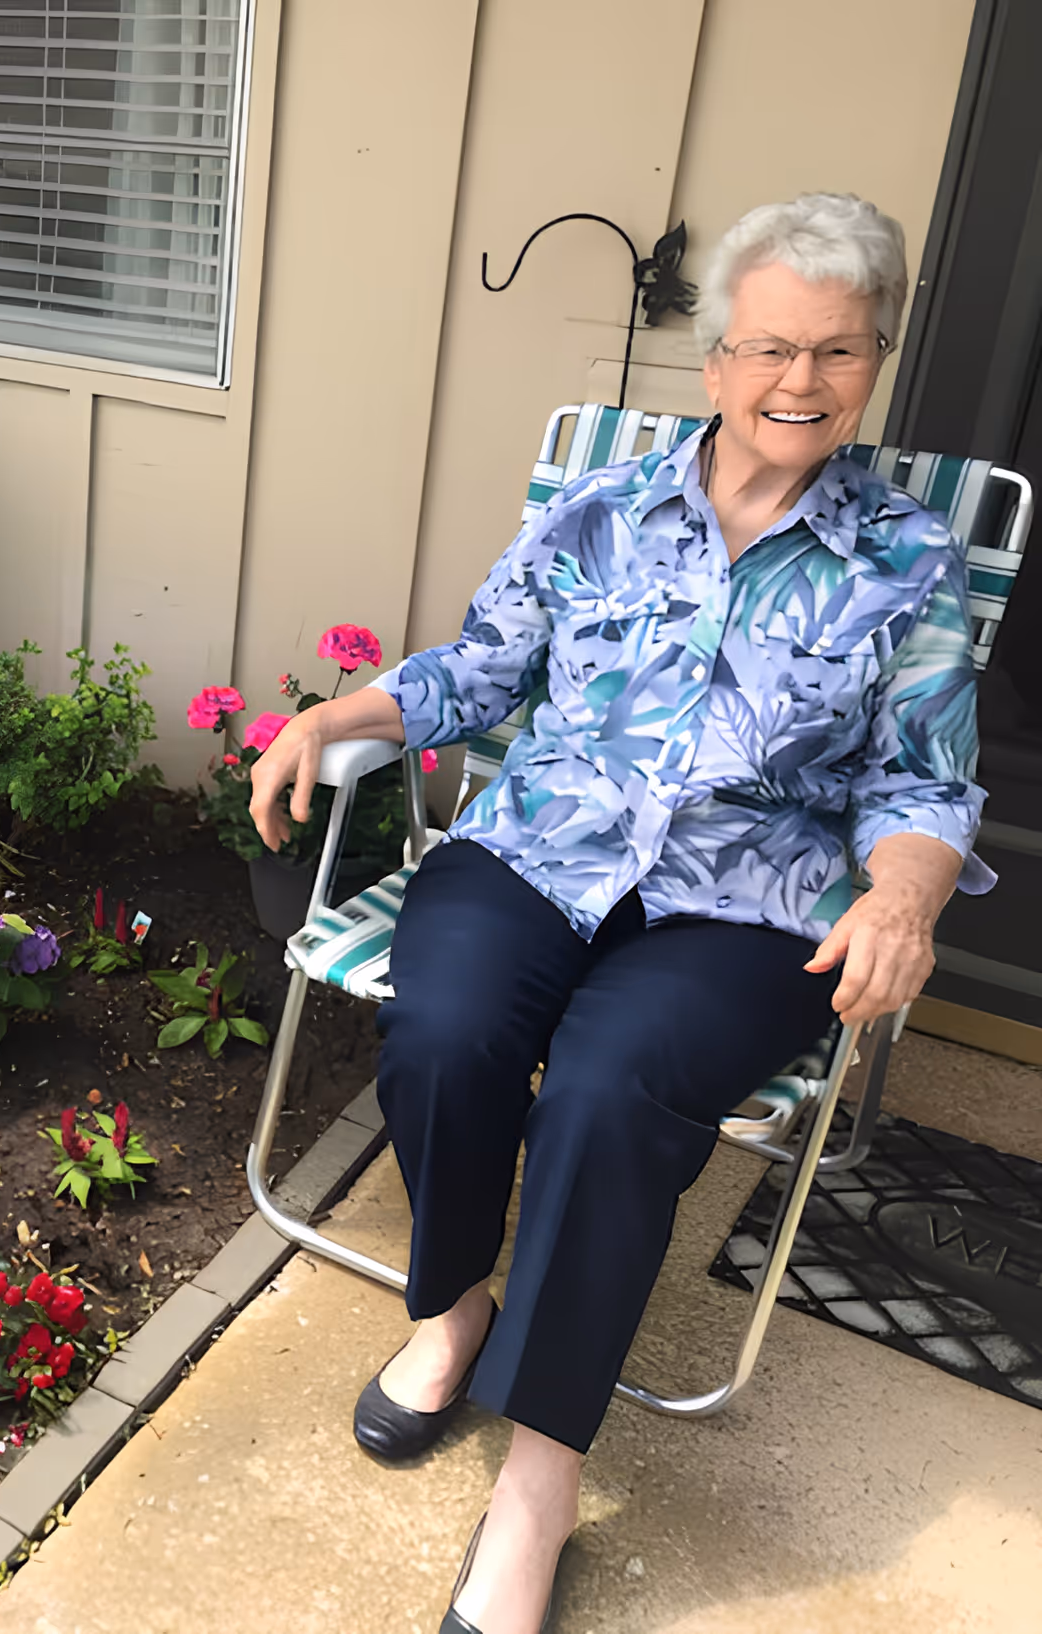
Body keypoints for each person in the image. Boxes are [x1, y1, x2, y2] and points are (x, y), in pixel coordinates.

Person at [248, 192, 992, 1634]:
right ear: (713, 361)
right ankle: (458, 1300)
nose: (801, 381)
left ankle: (539, 1479)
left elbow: (927, 776)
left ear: (874, 363)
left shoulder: (907, 561)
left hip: (755, 899)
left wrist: (903, 887)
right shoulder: (603, 511)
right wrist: (349, 708)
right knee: (449, 1024)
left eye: (840, 352)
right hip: (545, 846)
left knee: (607, 1081)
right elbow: (482, 667)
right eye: (772, 346)